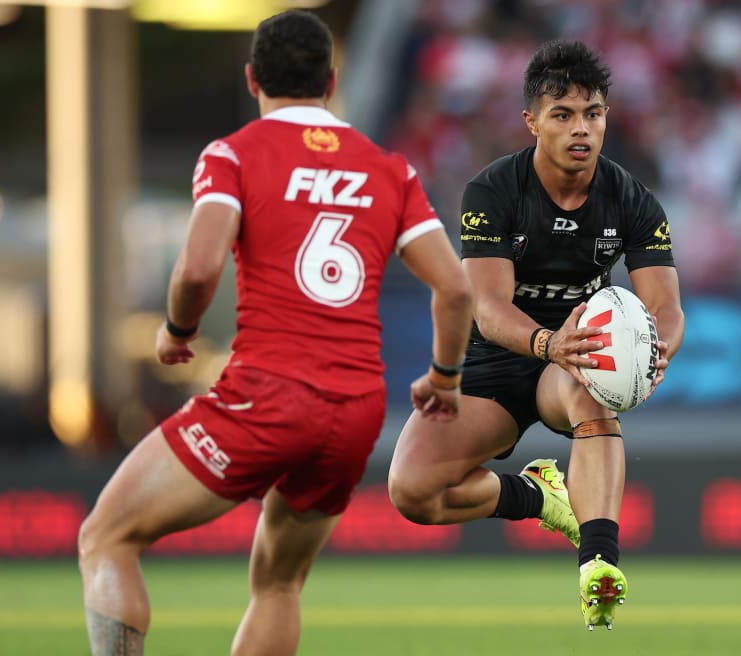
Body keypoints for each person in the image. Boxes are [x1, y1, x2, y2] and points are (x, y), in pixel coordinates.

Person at [77, 10, 472, 656]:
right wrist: (445, 377)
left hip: (267, 393)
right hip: (354, 409)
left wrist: (178, 330)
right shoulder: (389, 169)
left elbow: (199, 267)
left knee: (106, 537)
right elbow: (455, 289)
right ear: (332, 81)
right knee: (280, 585)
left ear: (253, 79)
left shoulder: (234, 153)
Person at [388, 39, 684, 630]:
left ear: (607, 118)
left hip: (568, 367)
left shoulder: (631, 199)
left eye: (593, 114)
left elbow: (666, 308)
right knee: (412, 493)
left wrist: (657, 352)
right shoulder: (492, 192)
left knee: (590, 389)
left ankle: (599, 562)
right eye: (563, 114)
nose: (582, 129)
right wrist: (550, 342)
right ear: (532, 122)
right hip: (495, 363)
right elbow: (489, 308)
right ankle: (539, 497)